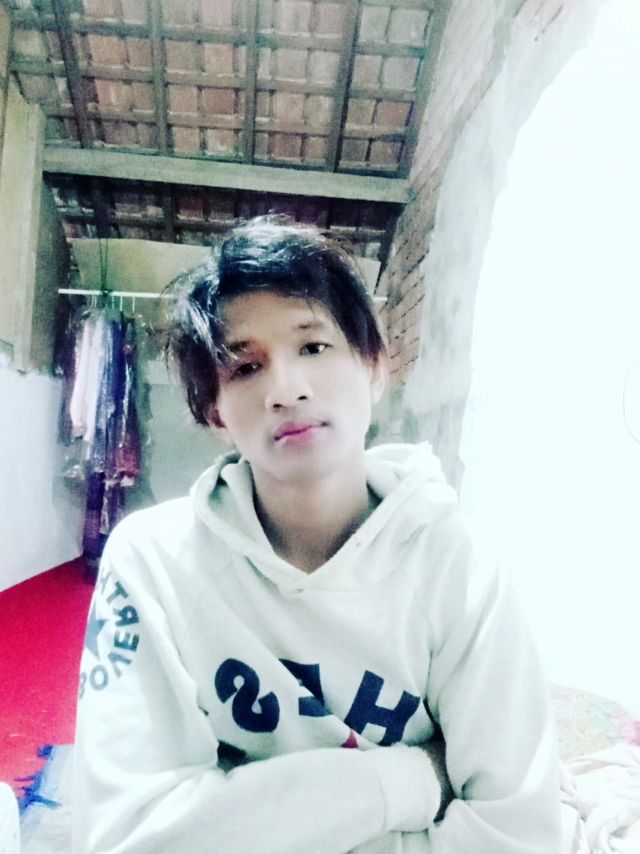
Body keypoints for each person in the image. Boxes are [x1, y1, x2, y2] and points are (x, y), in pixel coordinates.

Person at [72, 215, 562, 853]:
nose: (286, 390)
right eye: (245, 367)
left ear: (373, 367)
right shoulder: (154, 561)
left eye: (313, 348)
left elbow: (515, 834)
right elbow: (128, 836)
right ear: (215, 414)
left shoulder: (461, 569)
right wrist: (415, 778)